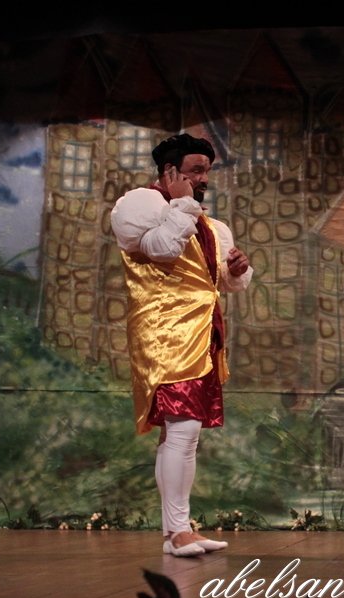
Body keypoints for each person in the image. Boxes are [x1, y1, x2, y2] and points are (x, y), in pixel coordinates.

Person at [110, 133, 252, 557]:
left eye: (207, 171)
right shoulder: (140, 204)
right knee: (183, 430)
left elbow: (216, 281)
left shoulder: (207, 224)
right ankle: (176, 532)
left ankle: (177, 530)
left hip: (201, 334)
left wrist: (236, 269)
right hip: (165, 333)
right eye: (195, 171)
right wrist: (183, 204)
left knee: (182, 433)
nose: (203, 179)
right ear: (170, 171)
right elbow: (163, 250)